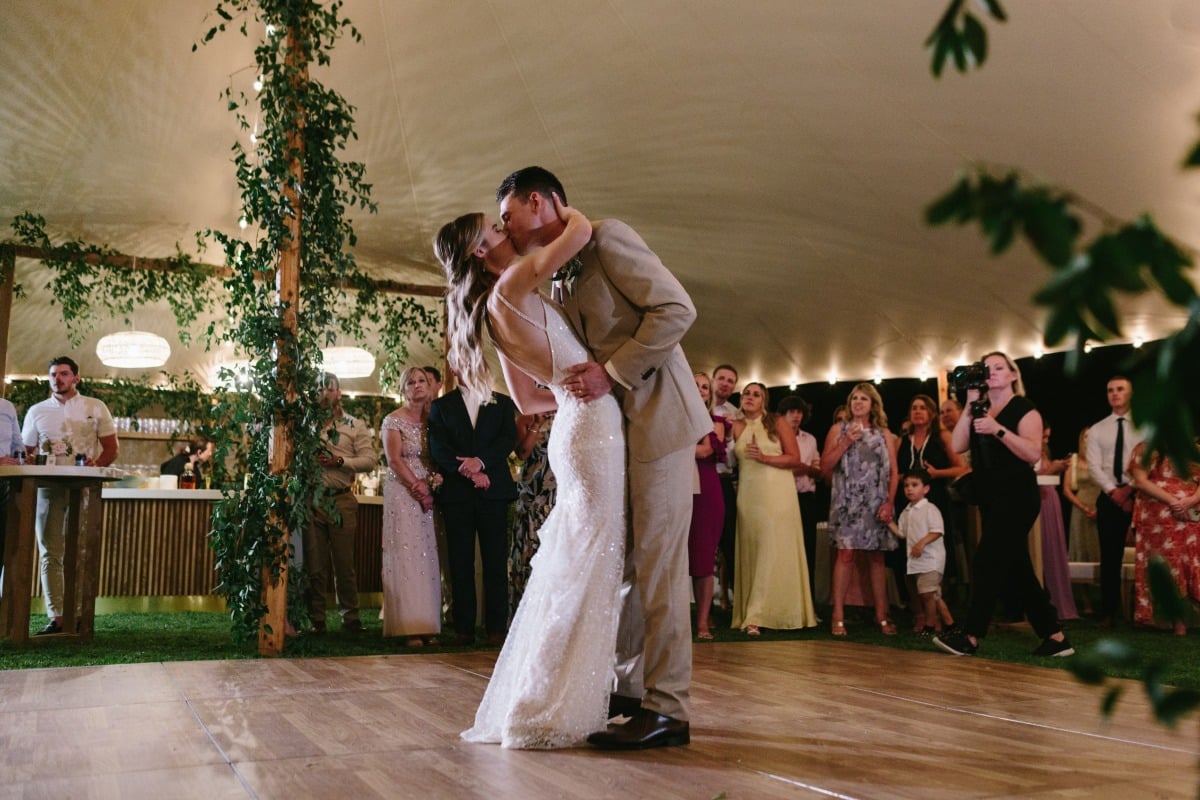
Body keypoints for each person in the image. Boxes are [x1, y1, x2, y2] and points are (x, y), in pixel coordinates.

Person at [497, 166, 711, 751]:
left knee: (661, 568)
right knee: (624, 566)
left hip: (661, 425)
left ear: (538, 201)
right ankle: (630, 691)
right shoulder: (560, 273)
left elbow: (676, 310)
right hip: (620, 434)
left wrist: (611, 373)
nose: (506, 229)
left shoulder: (609, 237)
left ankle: (670, 709)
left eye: (508, 216)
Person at [435, 193, 623, 749]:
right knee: (586, 563)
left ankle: (547, 695)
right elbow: (581, 232)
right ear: (479, 248)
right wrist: (562, 209)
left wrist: (567, 392)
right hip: (591, 427)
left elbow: (528, 400)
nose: (506, 228)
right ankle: (543, 704)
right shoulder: (515, 280)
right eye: (496, 225)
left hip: (574, 425)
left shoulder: (496, 307)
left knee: (574, 564)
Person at [934, 352, 1074, 658]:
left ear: (1013, 375)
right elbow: (958, 445)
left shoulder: (1025, 410)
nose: (993, 372)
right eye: (987, 368)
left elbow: (1033, 453)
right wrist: (970, 405)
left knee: (986, 561)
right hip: (989, 497)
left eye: (1000, 367)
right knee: (1016, 567)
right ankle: (1055, 637)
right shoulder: (978, 407)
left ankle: (970, 636)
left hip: (1017, 497)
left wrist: (997, 429)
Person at [20, 357, 118, 634]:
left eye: (64, 374)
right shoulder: (37, 411)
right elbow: (26, 451)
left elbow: (111, 448)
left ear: (76, 377)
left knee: (81, 550)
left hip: (84, 488)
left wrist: (95, 467)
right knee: (50, 551)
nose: (57, 379)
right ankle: (58, 616)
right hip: (47, 486)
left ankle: (79, 615)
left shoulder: (95, 407)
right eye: (53, 374)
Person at [428, 383, 518, 647]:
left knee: (495, 563)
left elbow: (506, 439)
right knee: (460, 563)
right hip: (458, 493)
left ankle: (496, 629)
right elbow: (438, 447)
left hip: (493, 490)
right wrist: (469, 471)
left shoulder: (501, 402)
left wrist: (481, 462)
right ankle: (463, 628)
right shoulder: (441, 406)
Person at [730, 382, 817, 635]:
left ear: (764, 401)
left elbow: (794, 458)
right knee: (754, 550)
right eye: (746, 393)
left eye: (756, 394)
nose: (750, 397)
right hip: (748, 496)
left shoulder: (776, 422)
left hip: (777, 495)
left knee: (772, 549)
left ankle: (759, 615)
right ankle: (754, 610)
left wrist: (765, 458)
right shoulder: (735, 426)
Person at [820, 383, 899, 637]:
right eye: (854, 398)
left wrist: (889, 502)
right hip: (846, 502)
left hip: (876, 502)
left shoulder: (883, 433)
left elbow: (895, 472)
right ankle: (838, 616)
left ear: (872, 404)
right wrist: (845, 442)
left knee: (877, 558)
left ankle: (882, 616)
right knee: (845, 556)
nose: (858, 402)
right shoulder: (837, 429)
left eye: (864, 398)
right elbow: (825, 467)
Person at [304, 372, 376, 635]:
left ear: (339, 393)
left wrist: (340, 462)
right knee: (315, 564)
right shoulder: (307, 425)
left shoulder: (354, 425)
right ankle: (317, 620)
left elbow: (370, 461)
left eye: (328, 389)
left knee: (345, 564)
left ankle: (351, 617)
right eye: (319, 389)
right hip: (312, 499)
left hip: (342, 499)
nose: (323, 393)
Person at [892, 394, 967, 628]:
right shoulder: (901, 441)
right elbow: (893, 473)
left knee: (932, 554)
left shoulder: (942, 436)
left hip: (934, 500)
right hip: (906, 501)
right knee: (906, 558)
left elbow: (960, 468)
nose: (917, 412)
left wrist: (935, 475)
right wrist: (907, 481)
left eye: (923, 408)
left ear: (931, 414)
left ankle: (935, 612)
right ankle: (918, 613)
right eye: (914, 408)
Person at [380, 366, 441, 645]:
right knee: (405, 553)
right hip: (403, 490)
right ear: (403, 389)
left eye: (422, 381)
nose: (417, 386)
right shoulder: (393, 421)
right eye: (411, 382)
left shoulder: (434, 420)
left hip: (428, 491)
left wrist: (432, 484)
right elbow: (394, 460)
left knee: (425, 555)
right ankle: (407, 626)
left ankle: (427, 623)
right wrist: (417, 487)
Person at [1086, 376, 1147, 627]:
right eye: (1110, 390)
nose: (1115, 394)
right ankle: (1108, 612)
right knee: (1110, 557)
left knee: (1147, 555)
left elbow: (1148, 461)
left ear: (1130, 393)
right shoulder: (1098, 428)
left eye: (1120, 389)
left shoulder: (1145, 427)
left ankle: (1145, 614)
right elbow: (1093, 466)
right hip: (1110, 497)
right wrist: (1115, 492)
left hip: (1141, 494)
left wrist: (1130, 490)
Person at [1129, 442, 1200, 634]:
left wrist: (1191, 500)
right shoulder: (1145, 449)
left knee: (1191, 562)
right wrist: (1173, 501)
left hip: (1191, 514)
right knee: (1169, 564)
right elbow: (1140, 480)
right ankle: (1176, 621)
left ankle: (1190, 618)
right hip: (1157, 517)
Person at [887, 468, 955, 635]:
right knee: (933, 594)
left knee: (926, 593)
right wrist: (888, 522)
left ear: (925, 489)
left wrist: (921, 543)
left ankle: (930, 625)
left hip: (931, 559)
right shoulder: (906, 512)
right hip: (918, 561)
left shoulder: (930, 509)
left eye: (914, 485)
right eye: (906, 485)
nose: (909, 489)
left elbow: (937, 530)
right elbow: (902, 533)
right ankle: (950, 624)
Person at [688, 372, 729, 640]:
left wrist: (669, 446)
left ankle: (703, 621)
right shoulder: (672, 416)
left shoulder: (717, 422)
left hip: (706, 491)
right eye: (695, 384)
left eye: (705, 386)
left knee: (703, 556)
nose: (701, 389)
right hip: (677, 485)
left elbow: (703, 452)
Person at [509, 410, 556, 614]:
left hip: (556, 495)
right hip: (531, 496)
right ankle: (525, 612)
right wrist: (538, 423)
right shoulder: (525, 419)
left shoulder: (567, 412)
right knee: (528, 553)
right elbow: (521, 454)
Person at [777, 395, 821, 594]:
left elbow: (817, 470)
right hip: (784, 496)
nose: (795, 416)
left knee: (808, 548)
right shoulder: (775, 439)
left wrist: (803, 468)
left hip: (807, 498)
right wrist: (800, 467)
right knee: (785, 549)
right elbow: (780, 468)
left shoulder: (809, 439)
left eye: (799, 412)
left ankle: (809, 599)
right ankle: (786, 595)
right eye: (791, 412)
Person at [1036, 426, 1078, 620]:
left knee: (1053, 548)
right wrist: (1052, 468)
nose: (1046, 439)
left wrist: (1057, 467)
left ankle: (1058, 602)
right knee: (1041, 550)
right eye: (1043, 435)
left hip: (1049, 498)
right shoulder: (1030, 448)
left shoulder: (1044, 451)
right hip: (1038, 500)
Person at [710, 364, 740, 610]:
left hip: (724, 479)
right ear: (712, 380)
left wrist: (729, 437)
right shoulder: (698, 406)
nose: (725, 384)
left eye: (731, 381)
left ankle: (728, 598)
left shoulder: (735, 415)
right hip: (700, 476)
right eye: (722, 378)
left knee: (729, 541)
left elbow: (733, 459)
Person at [1064, 428, 1102, 562]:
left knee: (1097, 543)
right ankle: (1079, 581)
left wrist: (1099, 509)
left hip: (1099, 506)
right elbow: (1066, 489)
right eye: (1086, 436)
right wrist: (1084, 507)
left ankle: (1098, 581)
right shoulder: (1073, 459)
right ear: (1082, 440)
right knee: (1080, 542)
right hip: (1080, 507)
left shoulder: (1103, 459)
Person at [0, 395, 25, 580]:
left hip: (3, 485)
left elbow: (18, 445)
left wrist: (23, 458)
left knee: (2, 544)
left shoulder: (6, 407)